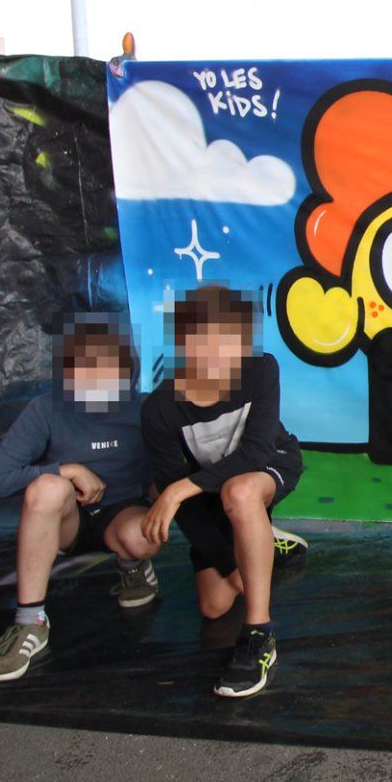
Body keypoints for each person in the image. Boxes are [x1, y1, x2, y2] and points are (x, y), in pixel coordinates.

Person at [141, 284, 306, 699]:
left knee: (240, 492)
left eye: (229, 339)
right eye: (202, 338)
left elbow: (255, 453)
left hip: (266, 467)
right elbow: (188, 510)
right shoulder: (159, 408)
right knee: (214, 606)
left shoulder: (261, 369)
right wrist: (229, 564)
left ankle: (259, 635)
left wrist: (176, 490)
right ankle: (261, 537)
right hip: (211, 492)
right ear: (181, 341)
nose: (216, 351)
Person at [0, 319, 161, 682]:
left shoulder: (146, 408)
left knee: (144, 534)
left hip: (122, 515)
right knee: (48, 487)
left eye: (108, 363)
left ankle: (133, 567)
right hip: (66, 522)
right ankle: (30, 622)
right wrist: (66, 469)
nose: (97, 374)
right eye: (85, 364)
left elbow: (170, 472)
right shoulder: (47, 409)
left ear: (127, 368)